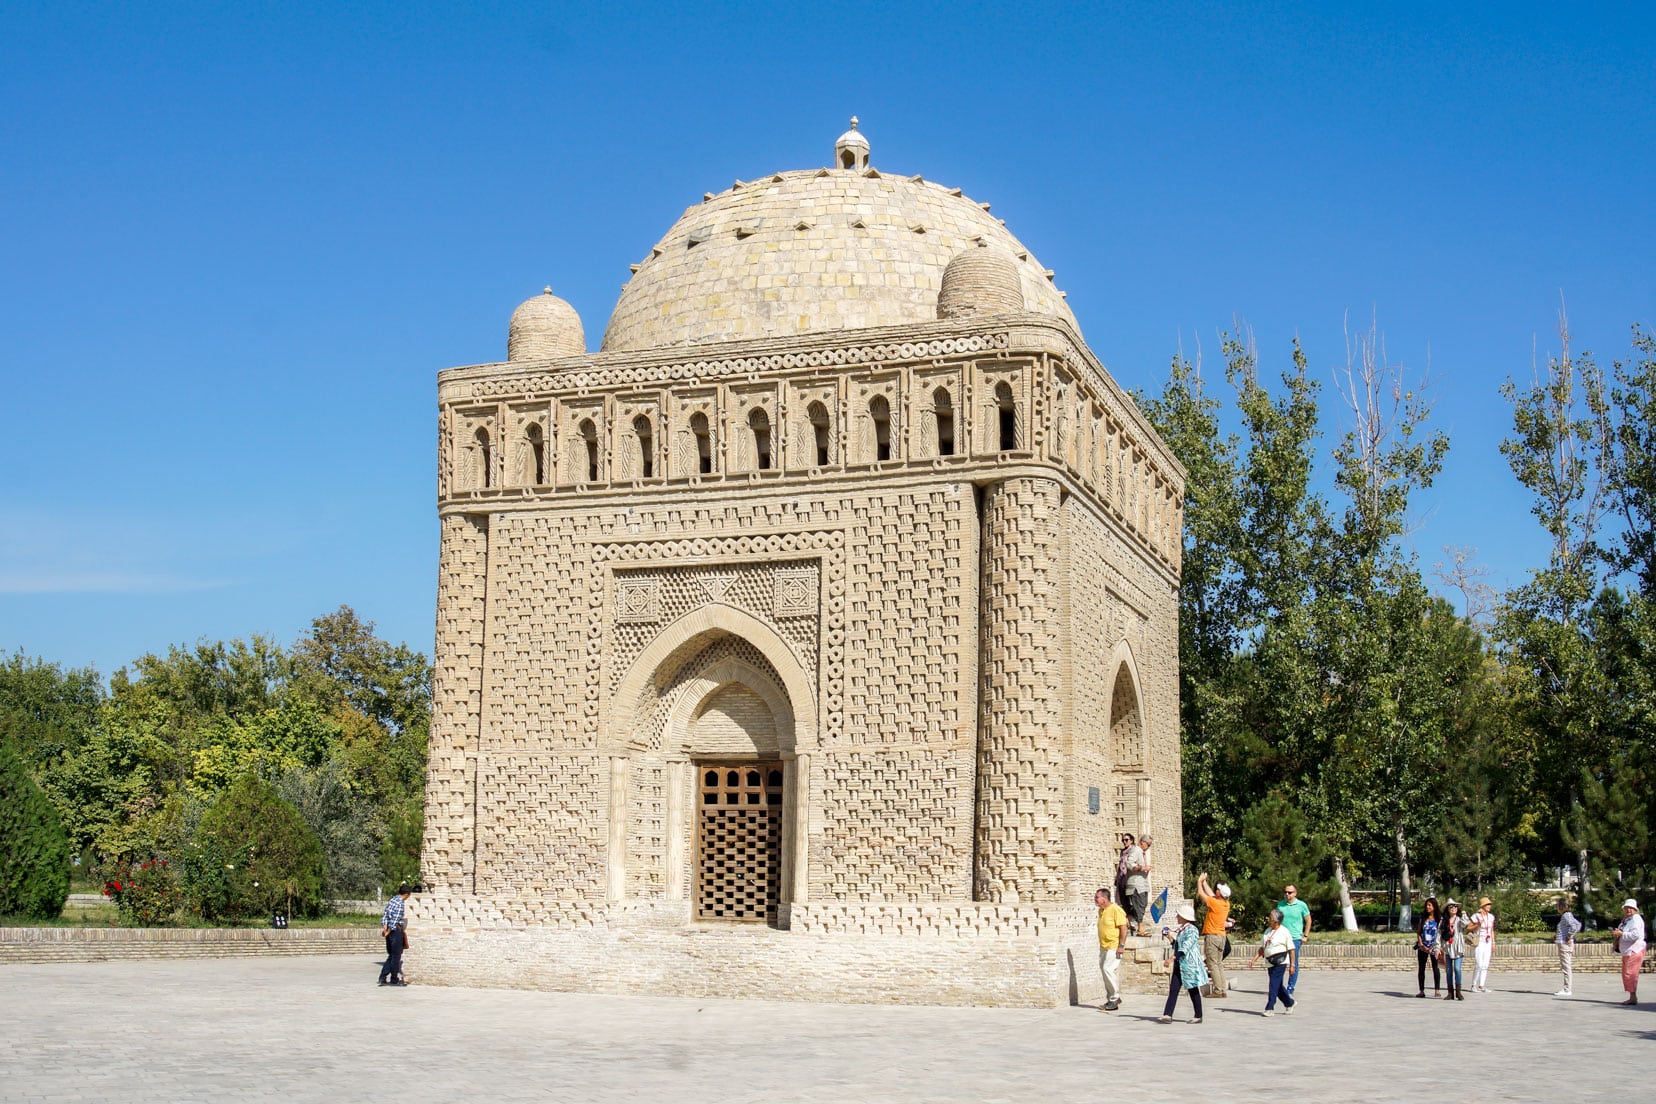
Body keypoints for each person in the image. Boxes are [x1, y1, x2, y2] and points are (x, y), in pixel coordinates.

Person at [1157, 902, 1209, 1024]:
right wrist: (1170, 937)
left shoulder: (1192, 930)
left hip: (1189, 965)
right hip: (1180, 964)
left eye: (1179, 915)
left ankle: (1198, 1015)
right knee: (1174, 989)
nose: (1177, 917)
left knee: (1192, 989)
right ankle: (1167, 1014)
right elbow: (1177, 946)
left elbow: (1185, 948)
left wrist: (1171, 959)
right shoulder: (1182, 930)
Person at [1248, 907, 1297, 1016]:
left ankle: (1270, 1007)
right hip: (1270, 961)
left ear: (1276, 921)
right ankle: (1289, 1003)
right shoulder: (1268, 931)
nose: (1268, 920)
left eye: (1270, 918)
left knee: (1273, 984)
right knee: (1277, 986)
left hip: (1280, 961)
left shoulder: (1284, 932)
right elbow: (1262, 947)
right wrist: (1254, 960)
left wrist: (1292, 965)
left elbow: (1291, 949)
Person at [1196, 871, 1231, 998]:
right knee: (1219, 963)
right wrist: (1205, 882)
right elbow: (1211, 894)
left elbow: (1201, 894)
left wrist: (1199, 882)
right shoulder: (1225, 903)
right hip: (1222, 936)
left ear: (1219, 893)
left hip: (1212, 936)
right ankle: (1222, 989)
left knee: (1212, 963)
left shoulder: (1215, 903)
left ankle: (1218, 991)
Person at [1094, 886, 1129, 1012]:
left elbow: (1123, 928)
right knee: (1105, 972)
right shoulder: (1101, 911)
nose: (1095, 899)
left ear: (1104, 898)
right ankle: (1111, 998)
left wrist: (1121, 946)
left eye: (1097, 897)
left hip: (1113, 946)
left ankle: (1115, 998)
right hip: (1104, 946)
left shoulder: (1116, 910)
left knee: (1107, 969)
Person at [1276, 884, 1312, 996]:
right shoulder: (1280, 905)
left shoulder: (1301, 905)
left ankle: (1290, 988)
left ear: (1295, 893)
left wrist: (1305, 935)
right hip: (1281, 938)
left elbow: (1308, 920)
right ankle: (1279, 987)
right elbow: (1276, 920)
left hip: (1295, 938)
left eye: (1290, 892)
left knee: (1293, 963)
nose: (1287, 894)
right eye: (1285, 892)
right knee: (1280, 962)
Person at [1613, 898, 1646, 1006]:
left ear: (1635, 909)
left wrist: (1622, 934)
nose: (1628, 910)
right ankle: (1632, 996)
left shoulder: (1636, 919)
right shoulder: (1626, 919)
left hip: (1634, 950)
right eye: (1627, 908)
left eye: (1631, 908)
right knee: (1626, 974)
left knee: (1630, 973)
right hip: (1627, 951)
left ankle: (1633, 997)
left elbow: (1635, 935)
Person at [379, 883, 412, 987]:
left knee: (391, 955)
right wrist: (389, 930)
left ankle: (383, 977)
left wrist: (385, 928)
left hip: (388, 930)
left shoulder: (392, 900)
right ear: (406, 894)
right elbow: (395, 919)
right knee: (396, 956)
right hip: (395, 931)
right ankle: (394, 979)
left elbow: (385, 915)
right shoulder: (400, 903)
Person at [1553, 896, 1582, 997]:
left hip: (1564, 945)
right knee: (1566, 966)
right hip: (1565, 943)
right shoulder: (1568, 916)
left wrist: (1568, 936)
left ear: (1561, 906)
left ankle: (1567, 989)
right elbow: (1577, 925)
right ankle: (1567, 988)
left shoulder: (1566, 916)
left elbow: (1575, 926)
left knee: (1566, 967)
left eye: (1557, 906)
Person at [1414, 896, 1442, 997]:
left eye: (1429, 905)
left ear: (1434, 906)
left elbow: (1439, 934)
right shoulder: (1422, 917)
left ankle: (1437, 990)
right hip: (1423, 947)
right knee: (1421, 968)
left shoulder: (1439, 919)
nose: (1427, 907)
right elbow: (1419, 932)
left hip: (1434, 947)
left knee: (1436, 968)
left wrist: (1433, 947)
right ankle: (1421, 990)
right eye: (1426, 905)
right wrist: (1421, 944)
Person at [1123, 836, 1152, 930]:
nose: (1148, 847)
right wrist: (1142, 868)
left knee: (1143, 904)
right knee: (1139, 904)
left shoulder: (1141, 852)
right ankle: (1140, 928)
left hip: (1142, 884)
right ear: (1142, 842)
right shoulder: (1136, 850)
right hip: (1136, 884)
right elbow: (1129, 863)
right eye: (1148, 845)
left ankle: (1129, 919)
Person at [1440, 899, 1466, 1000]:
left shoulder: (1459, 920)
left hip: (1457, 947)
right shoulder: (1443, 921)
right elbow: (1439, 934)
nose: (1454, 908)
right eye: (1451, 907)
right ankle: (1450, 992)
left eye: (1455, 906)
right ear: (1447, 909)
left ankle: (1458, 991)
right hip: (1448, 947)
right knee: (1449, 970)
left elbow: (1465, 924)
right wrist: (1438, 947)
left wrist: (1464, 915)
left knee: (1457, 969)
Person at [1469, 896, 1496, 992]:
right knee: (1479, 964)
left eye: (1490, 904)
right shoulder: (1476, 916)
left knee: (1485, 964)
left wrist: (1493, 942)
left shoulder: (1491, 917)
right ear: (1483, 906)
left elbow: (1492, 930)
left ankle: (1482, 985)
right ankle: (1473, 985)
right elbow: (1468, 928)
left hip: (1487, 942)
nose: (1489, 906)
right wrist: (1477, 925)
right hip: (1479, 941)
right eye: (1487, 904)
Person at [1114, 833, 1136, 912]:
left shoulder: (1135, 851)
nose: (1124, 842)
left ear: (1131, 840)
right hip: (1122, 876)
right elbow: (1121, 864)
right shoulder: (1122, 851)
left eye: (1126, 840)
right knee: (1122, 898)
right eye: (1123, 840)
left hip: (1130, 876)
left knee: (1130, 898)